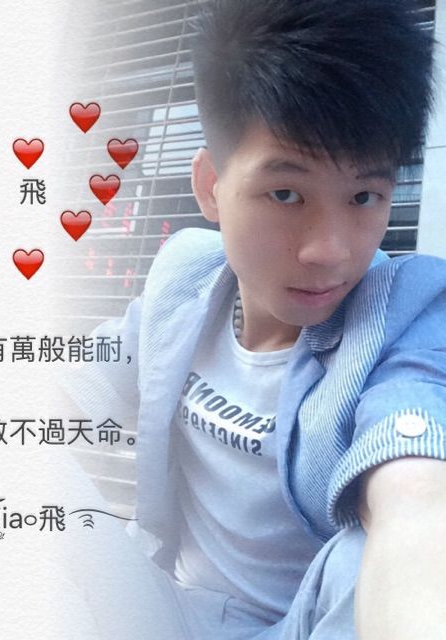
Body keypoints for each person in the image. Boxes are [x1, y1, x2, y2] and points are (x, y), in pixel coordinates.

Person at [63, 1, 446, 637]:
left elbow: (417, 492)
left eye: (364, 196)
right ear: (212, 186)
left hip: (306, 624)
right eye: (286, 193)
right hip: (160, 609)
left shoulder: (402, 317)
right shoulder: (185, 279)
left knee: (364, 554)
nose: (329, 250)